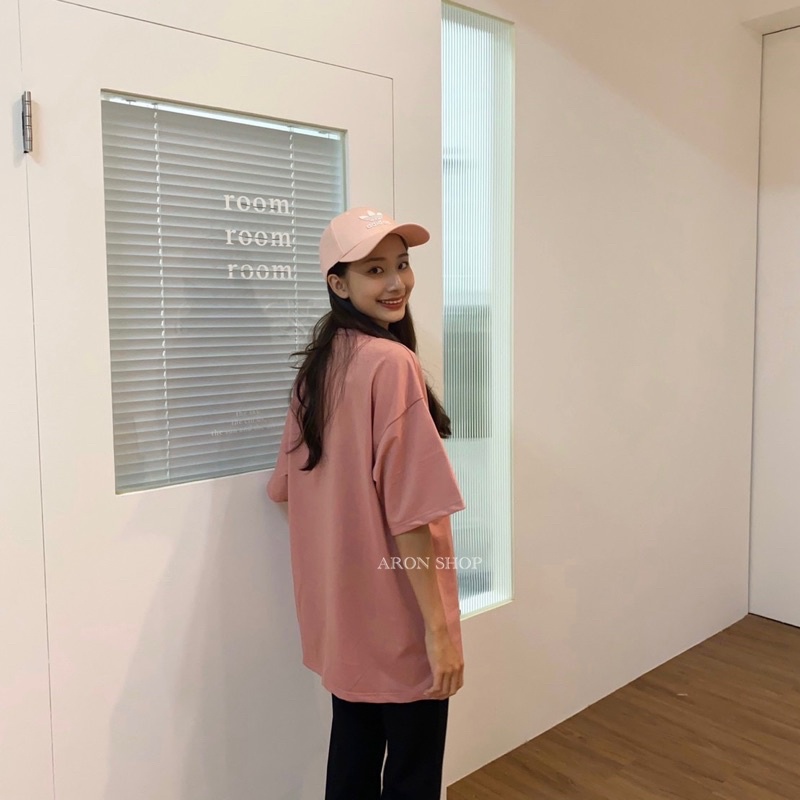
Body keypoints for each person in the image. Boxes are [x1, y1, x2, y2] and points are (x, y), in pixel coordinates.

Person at [266, 206, 466, 800]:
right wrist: (438, 632)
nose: (396, 282)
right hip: (400, 620)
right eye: (374, 270)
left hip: (344, 623)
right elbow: (412, 514)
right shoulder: (391, 363)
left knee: (351, 764)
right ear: (338, 283)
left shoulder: (318, 369)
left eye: (401, 265)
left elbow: (287, 491)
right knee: (412, 775)